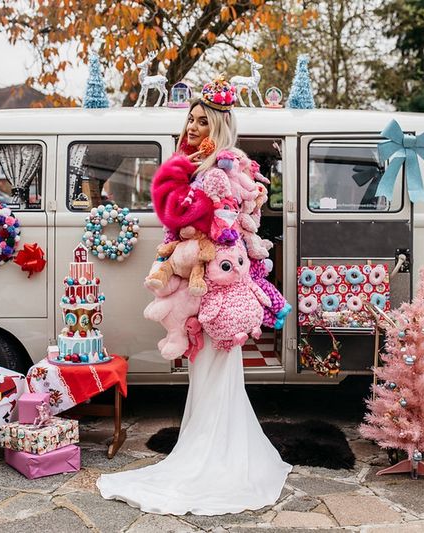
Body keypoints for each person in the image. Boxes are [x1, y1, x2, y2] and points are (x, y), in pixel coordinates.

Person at [96, 78, 291, 516]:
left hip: (218, 283)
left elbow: (199, 217)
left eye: (204, 121)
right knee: (207, 368)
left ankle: (214, 453)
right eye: (191, 119)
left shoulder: (220, 169)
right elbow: (183, 219)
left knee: (218, 365)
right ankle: (211, 444)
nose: (194, 126)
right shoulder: (198, 165)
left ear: (220, 126)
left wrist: (196, 184)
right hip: (202, 282)